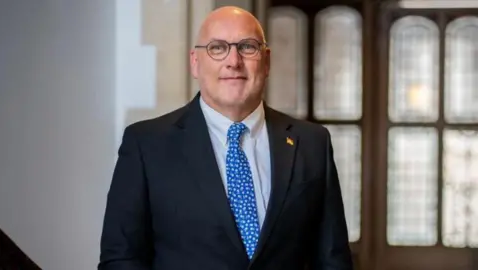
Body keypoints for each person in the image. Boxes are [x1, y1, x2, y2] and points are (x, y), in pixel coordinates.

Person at [98, 6, 353, 270]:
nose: (233, 61)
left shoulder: (312, 143)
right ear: (195, 62)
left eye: (247, 47)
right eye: (217, 48)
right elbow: (121, 259)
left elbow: (333, 260)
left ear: (266, 62)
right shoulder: (146, 145)